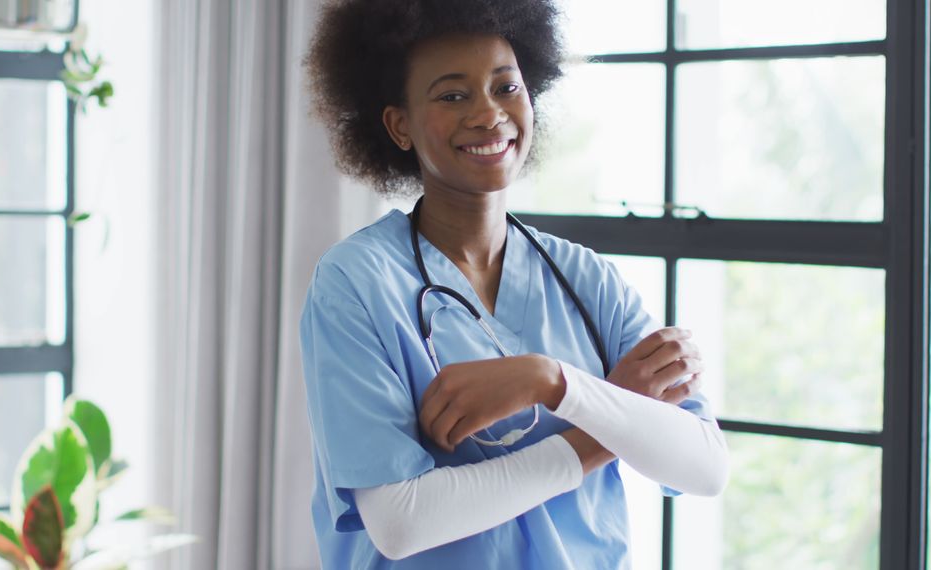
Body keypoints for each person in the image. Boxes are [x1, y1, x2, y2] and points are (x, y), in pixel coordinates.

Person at [300, 1, 729, 567]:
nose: (488, 114)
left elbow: (704, 465)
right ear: (398, 125)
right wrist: (606, 420)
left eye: (506, 87)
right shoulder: (356, 283)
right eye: (452, 95)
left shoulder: (585, 278)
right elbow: (403, 520)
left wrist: (552, 382)